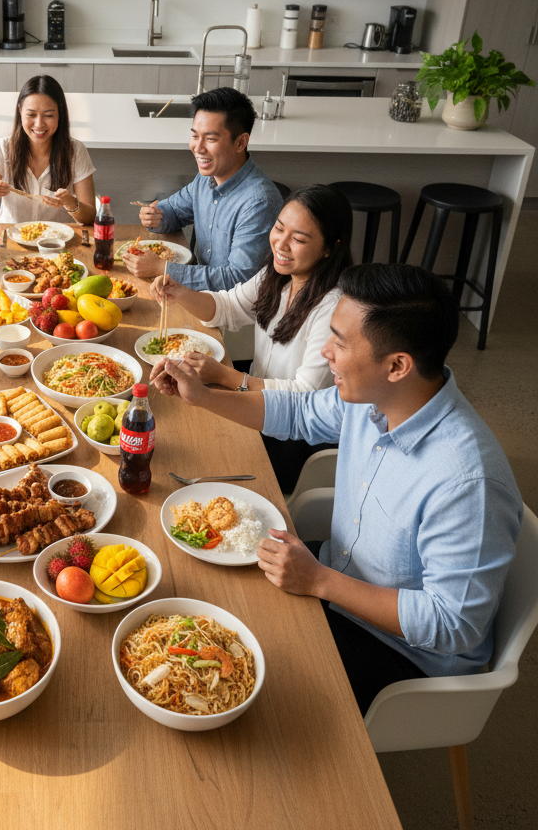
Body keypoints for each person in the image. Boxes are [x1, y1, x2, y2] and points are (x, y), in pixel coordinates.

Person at [150, 264, 522, 715]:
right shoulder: (377, 399)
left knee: (238, 690)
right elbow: (300, 412)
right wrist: (203, 396)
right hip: (336, 576)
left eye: (340, 343)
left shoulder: (468, 481)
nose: (325, 351)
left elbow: (452, 624)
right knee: (206, 612)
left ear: (398, 365)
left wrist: (321, 581)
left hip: (403, 652)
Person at [151, 184, 353, 493]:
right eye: (279, 229)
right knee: (171, 422)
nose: (281, 244)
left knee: (186, 453)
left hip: (289, 437)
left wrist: (228, 377)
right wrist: (178, 292)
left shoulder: (334, 308)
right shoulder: (278, 275)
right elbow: (228, 307)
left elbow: (303, 396)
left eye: (298, 239)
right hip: (255, 399)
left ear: (330, 248)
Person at [126, 87, 283, 289]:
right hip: (198, 292)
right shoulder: (205, 178)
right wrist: (156, 216)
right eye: (195, 136)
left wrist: (162, 268)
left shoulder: (260, 202)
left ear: (241, 142)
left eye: (210, 139)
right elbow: (173, 210)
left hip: (233, 311)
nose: (198, 148)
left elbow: (237, 278)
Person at [0, 75, 97, 225]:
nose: (39, 124)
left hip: (58, 241)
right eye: (31, 115)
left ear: (60, 114)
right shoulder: (2, 148)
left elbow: (89, 217)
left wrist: (71, 203)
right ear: (20, 111)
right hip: (12, 238)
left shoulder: (76, 151)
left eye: (48, 115)